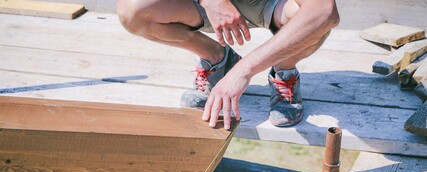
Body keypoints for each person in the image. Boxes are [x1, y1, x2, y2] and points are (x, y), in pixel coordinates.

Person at [116, 0, 340, 130]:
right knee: (133, 11)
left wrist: (244, 71)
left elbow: (324, 12)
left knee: (315, 23)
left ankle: (284, 70)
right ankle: (218, 59)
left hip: (272, 4)